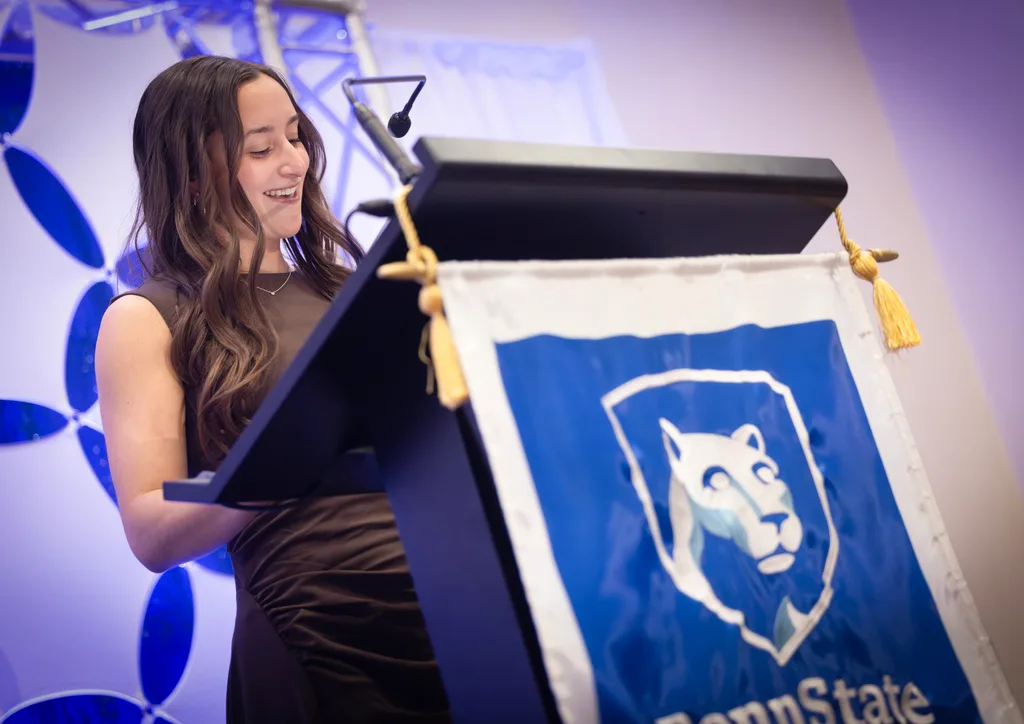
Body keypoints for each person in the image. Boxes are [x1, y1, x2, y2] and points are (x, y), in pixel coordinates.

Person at [95, 55, 451, 723]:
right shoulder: (146, 319)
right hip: (319, 640)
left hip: (455, 618)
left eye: (294, 136)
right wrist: (274, 472)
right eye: (262, 148)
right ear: (194, 179)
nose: (295, 164)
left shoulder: (353, 291)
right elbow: (150, 533)